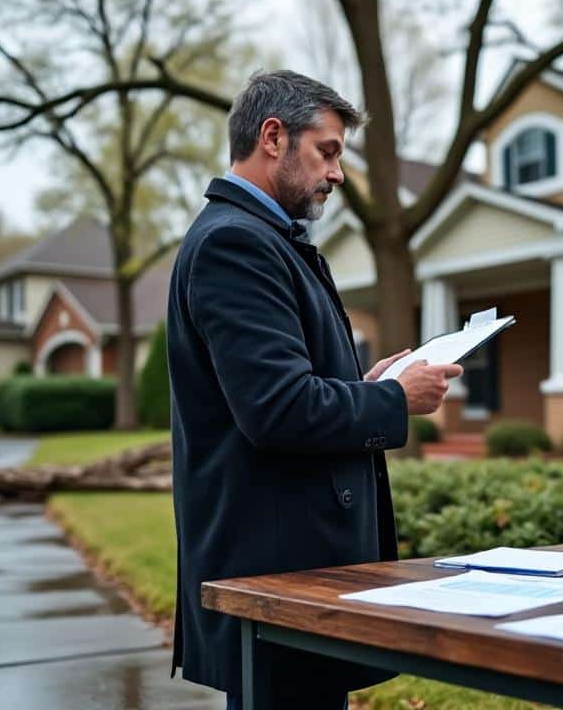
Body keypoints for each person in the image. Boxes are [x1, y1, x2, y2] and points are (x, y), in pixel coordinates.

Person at [166, 70, 462, 709]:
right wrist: (395, 399)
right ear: (273, 137)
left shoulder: (264, 239)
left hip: (291, 570)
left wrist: (369, 385)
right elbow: (278, 410)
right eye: (327, 152)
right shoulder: (236, 244)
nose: (337, 174)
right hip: (274, 575)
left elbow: (287, 387)